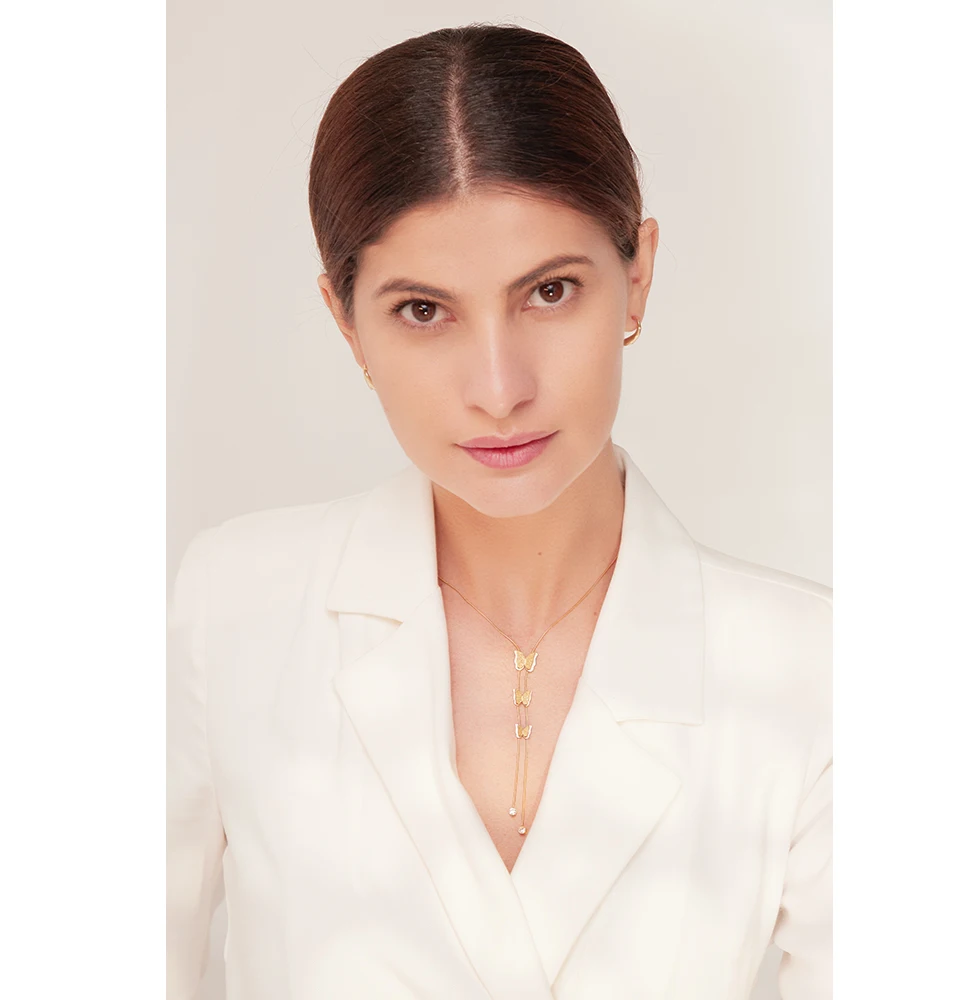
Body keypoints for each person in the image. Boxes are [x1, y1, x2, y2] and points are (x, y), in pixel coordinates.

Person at [167, 23, 831, 1000]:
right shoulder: (234, 611)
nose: (498, 387)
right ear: (345, 321)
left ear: (636, 277)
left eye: (549, 291)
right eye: (422, 310)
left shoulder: (814, 670)